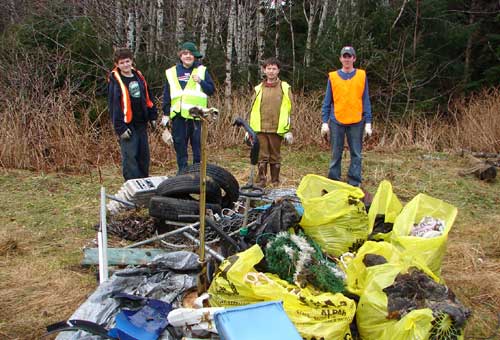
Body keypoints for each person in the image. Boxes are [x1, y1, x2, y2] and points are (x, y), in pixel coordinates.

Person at [321, 46, 372, 187]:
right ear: (340, 59)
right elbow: (327, 101)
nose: (347, 59)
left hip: (357, 121)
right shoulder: (333, 77)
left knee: (356, 153)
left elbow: (365, 99)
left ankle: (354, 182)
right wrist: (324, 121)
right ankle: (333, 181)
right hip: (337, 120)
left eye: (349, 56)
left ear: (354, 58)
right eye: (344, 56)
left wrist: (368, 122)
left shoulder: (362, 76)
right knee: (335, 153)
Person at [161, 41, 215, 173]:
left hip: (197, 117)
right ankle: (183, 173)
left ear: (195, 56)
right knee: (180, 146)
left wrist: (201, 82)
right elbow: (167, 94)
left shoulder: (202, 71)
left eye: (191, 54)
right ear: (180, 56)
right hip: (179, 117)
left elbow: (211, 90)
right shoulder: (172, 72)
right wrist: (166, 114)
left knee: (198, 147)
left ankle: (197, 174)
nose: (188, 56)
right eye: (185, 54)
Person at [108, 47, 158, 181]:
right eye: (122, 63)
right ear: (117, 64)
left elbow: (149, 97)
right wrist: (120, 128)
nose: (125, 65)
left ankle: (144, 183)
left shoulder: (138, 77)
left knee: (143, 156)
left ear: (132, 61)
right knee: (130, 157)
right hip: (127, 126)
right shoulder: (116, 82)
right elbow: (114, 107)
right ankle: (132, 185)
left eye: (127, 61)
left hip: (141, 123)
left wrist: (153, 116)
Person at [248, 57, 293, 187]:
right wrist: (249, 130)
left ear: (278, 71)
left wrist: (289, 130)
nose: (271, 71)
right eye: (269, 68)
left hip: (277, 129)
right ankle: (262, 180)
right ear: (264, 70)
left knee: (275, 156)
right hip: (260, 128)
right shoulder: (258, 88)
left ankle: (275, 181)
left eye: (274, 69)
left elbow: (291, 109)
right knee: (262, 156)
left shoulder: (285, 88)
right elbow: (252, 109)